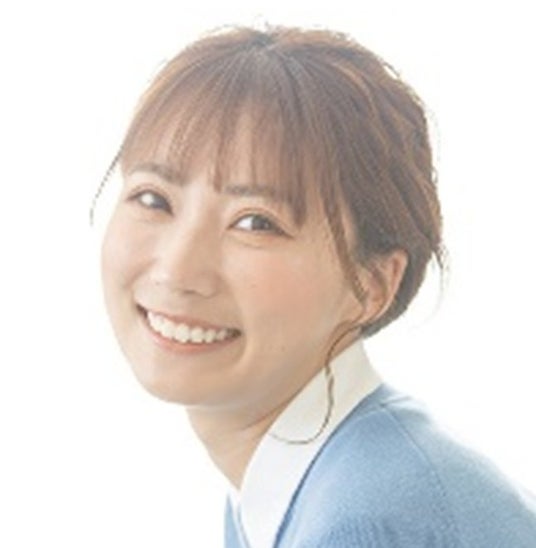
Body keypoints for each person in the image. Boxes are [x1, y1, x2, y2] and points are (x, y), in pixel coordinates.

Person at [99, 25, 536, 547]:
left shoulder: (366, 520)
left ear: (372, 284)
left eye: (256, 223)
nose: (176, 271)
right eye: (153, 199)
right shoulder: (290, 487)